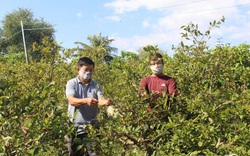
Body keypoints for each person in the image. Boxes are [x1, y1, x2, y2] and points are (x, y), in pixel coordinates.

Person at [65, 57, 112, 156]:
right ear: (78, 70)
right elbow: (72, 100)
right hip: (74, 128)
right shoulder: (71, 83)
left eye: (91, 70)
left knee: (94, 153)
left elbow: (100, 99)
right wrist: (86, 100)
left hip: (92, 128)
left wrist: (106, 102)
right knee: (74, 153)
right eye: (86, 70)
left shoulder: (97, 86)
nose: (88, 72)